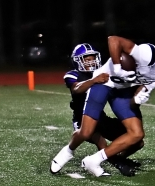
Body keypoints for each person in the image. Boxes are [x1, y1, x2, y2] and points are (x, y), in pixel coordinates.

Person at [50, 36, 155, 177]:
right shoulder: (149, 55)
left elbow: (140, 93)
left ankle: (94, 160)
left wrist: (140, 96)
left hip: (121, 90)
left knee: (137, 134)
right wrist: (117, 66)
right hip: (104, 83)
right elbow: (113, 39)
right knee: (86, 132)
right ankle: (67, 151)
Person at [53, 43, 143, 176]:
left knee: (137, 141)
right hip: (82, 119)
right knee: (99, 140)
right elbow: (77, 89)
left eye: (93, 58)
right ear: (78, 61)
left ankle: (119, 158)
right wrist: (94, 80)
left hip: (100, 118)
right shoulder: (72, 75)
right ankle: (117, 163)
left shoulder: (103, 72)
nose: (91, 61)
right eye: (87, 59)